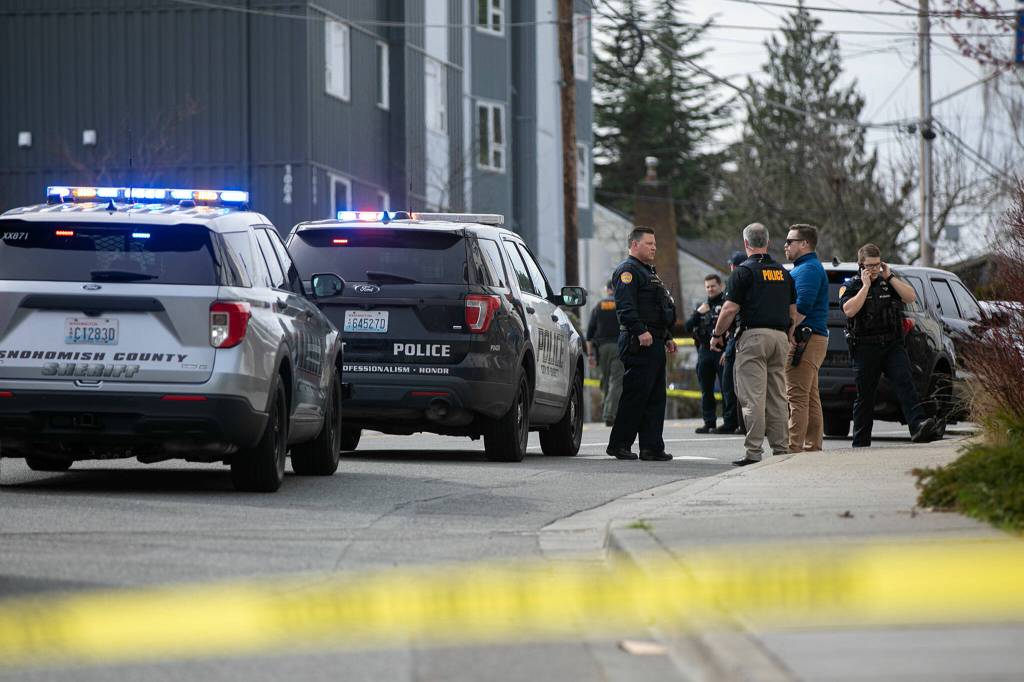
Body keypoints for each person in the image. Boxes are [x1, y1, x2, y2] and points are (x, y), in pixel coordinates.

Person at [840, 244, 943, 447]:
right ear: (860, 266)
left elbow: (910, 297)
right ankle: (860, 443)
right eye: (870, 266)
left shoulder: (889, 282)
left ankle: (918, 426)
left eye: (877, 265)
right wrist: (865, 286)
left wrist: (890, 276)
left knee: (905, 383)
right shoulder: (852, 285)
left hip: (891, 344)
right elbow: (849, 310)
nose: (874, 269)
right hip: (865, 347)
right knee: (865, 396)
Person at [710, 223, 796, 466]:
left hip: (753, 337)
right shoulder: (783, 272)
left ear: (746, 244)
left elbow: (729, 309)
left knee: (753, 398)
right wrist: (789, 333)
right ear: (767, 242)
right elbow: (794, 311)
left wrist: (717, 334)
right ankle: (781, 449)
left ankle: (753, 452)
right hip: (780, 338)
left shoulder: (743, 272)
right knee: (778, 396)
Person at [606, 226, 678, 462]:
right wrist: (640, 331)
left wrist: (666, 336)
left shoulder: (649, 273)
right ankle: (619, 445)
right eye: (649, 243)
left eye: (655, 243)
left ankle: (651, 447)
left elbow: (656, 309)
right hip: (639, 342)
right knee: (636, 397)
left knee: (656, 398)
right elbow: (625, 308)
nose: (654, 247)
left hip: (654, 341)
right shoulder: (628, 271)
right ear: (635, 245)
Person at [783, 224, 830, 453]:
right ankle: (812, 447)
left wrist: (789, 333)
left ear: (804, 244)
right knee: (810, 396)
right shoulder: (805, 268)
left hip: (805, 339)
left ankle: (794, 449)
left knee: (797, 396)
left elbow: (801, 308)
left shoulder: (809, 269)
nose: (786, 245)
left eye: (790, 241)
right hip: (812, 338)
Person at [684, 274, 727, 434]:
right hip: (704, 351)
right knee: (706, 389)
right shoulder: (702, 307)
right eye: (707, 287)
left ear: (720, 286)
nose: (710, 289)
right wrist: (698, 313)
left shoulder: (726, 304)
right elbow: (688, 327)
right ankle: (709, 422)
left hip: (721, 350)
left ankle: (729, 421)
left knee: (726, 388)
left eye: (713, 286)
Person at [586, 281, 624, 426]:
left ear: (607, 290)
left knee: (605, 380)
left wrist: (590, 355)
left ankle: (608, 410)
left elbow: (589, 334)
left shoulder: (598, 306)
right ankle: (610, 413)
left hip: (601, 349)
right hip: (618, 347)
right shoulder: (621, 304)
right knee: (616, 381)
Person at [719, 251, 747, 435]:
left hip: (739, 338)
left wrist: (716, 333)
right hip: (736, 338)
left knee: (734, 384)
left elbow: (729, 311)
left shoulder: (737, 280)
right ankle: (736, 422)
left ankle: (736, 422)